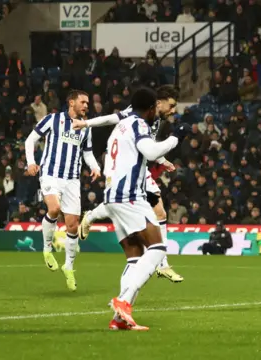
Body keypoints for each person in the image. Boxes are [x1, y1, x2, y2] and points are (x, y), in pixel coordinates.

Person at [73, 85, 184, 283]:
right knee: (120, 201)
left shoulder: (154, 119)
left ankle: (163, 264)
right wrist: (86, 124)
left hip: (139, 168)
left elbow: (145, 145)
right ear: (158, 103)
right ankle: (91, 216)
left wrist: (161, 160)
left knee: (160, 213)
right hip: (122, 166)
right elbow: (111, 119)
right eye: (172, 105)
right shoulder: (136, 114)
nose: (173, 110)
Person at [104, 87, 185, 331]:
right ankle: (124, 302)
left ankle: (119, 320)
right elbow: (149, 151)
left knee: (135, 255)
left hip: (112, 194)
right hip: (129, 195)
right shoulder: (139, 123)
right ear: (151, 108)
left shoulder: (121, 126)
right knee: (158, 248)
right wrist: (173, 139)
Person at [24, 90, 101, 291]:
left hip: (72, 180)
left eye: (87, 102)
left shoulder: (85, 127)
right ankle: (47, 249)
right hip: (50, 174)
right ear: (71, 102)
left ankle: (68, 266)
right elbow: (30, 140)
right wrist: (31, 162)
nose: (86, 105)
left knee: (73, 225)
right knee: (54, 208)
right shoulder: (53, 119)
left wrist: (95, 167)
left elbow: (88, 153)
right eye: (83, 102)